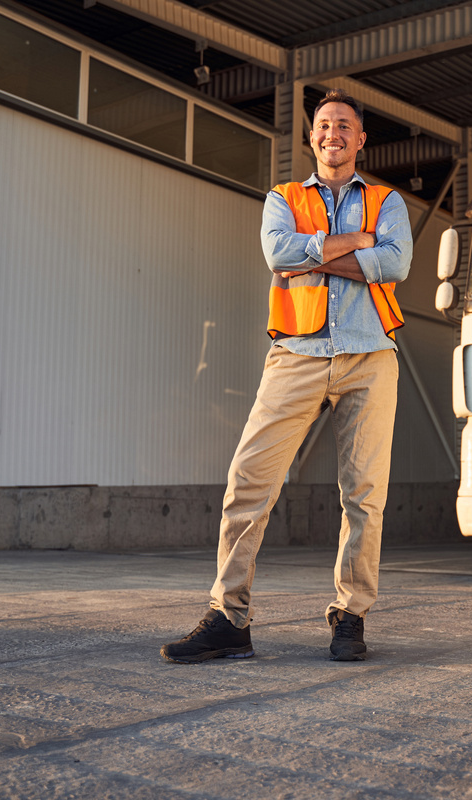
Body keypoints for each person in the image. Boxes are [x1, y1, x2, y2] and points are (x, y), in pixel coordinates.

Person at [161, 89, 412, 664]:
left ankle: (351, 617)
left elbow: (396, 262)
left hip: (369, 355)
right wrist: (355, 245)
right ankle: (229, 617)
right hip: (296, 355)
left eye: (345, 126)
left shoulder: (387, 199)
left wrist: (315, 252)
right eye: (324, 125)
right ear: (312, 137)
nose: (333, 134)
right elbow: (279, 253)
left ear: (361, 139)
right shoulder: (283, 197)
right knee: (248, 482)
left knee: (364, 496)